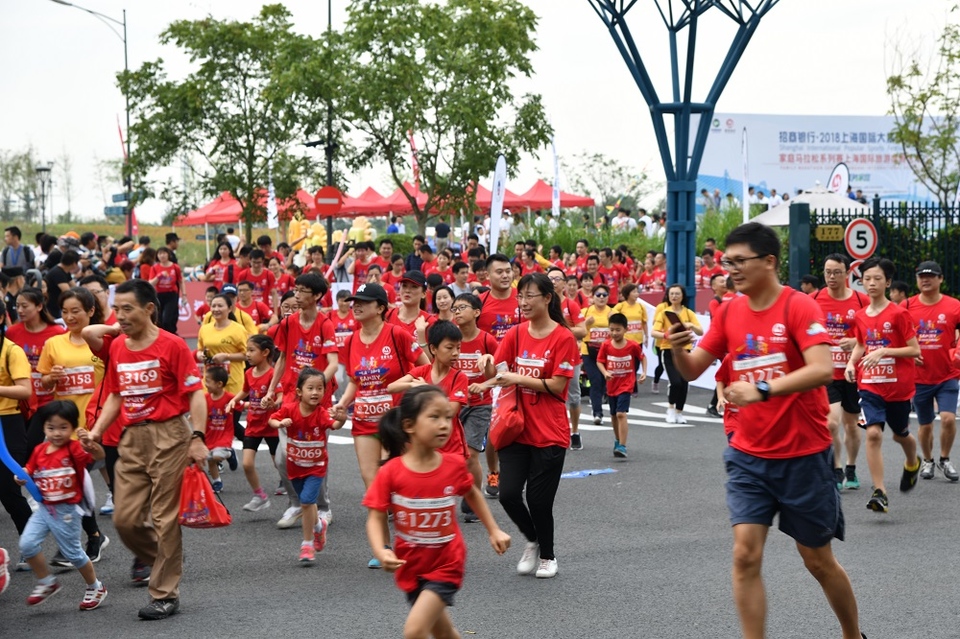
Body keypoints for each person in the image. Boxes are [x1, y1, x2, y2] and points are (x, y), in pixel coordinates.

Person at [666, 222, 864, 639]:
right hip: (749, 455)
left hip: (803, 455)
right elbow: (693, 368)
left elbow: (822, 368)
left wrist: (762, 389)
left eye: (740, 261)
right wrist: (677, 347)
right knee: (744, 555)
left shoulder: (799, 307)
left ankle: (852, 635)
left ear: (769, 261)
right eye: (727, 262)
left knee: (817, 561)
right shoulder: (730, 310)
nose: (731, 270)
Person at [87, 279, 208, 621]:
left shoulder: (173, 345)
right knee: (124, 519)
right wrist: (96, 431)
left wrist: (197, 437)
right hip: (131, 439)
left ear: (149, 309)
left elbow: (196, 394)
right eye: (117, 309)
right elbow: (114, 394)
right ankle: (166, 558)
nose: (120, 316)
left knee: (163, 516)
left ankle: (164, 594)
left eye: (127, 309)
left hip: (170, 434)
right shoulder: (118, 348)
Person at [363, 386, 510, 639]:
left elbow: (472, 492)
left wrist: (493, 529)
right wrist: (381, 550)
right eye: (434, 417)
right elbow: (375, 516)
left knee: (415, 630)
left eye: (447, 417)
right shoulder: (391, 472)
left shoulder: (452, 464)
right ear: (409, 425)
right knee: (443, 632)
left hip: (446, 563)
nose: (444, 424)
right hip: (410, 565)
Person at [479, 272, 580, 579]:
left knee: (538, 500)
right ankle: (533, 540)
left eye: (529, 296)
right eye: (519, 296)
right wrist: (488, 371)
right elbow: (500, 370)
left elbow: (557, 385)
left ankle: (548, 556)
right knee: (508, 494)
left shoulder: (563, 337)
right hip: (516, 426)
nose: (522, 302)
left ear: (547, 299)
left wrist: (516, 378)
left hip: (550, 430)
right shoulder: (516, 334)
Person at [331, 283, 429, 568]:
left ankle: (411, 541)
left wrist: (410, 387)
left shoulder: (396, 334)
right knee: (372, 482)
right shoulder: (350, 341)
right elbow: (354, 381)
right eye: (354, 301)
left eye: (363, 301)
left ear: (381, 307)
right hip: (362, 418)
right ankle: (383, 547)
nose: (356, 305)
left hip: (395, 420)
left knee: (396, 482)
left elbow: (424, 365)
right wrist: (343, 404)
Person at [844, 256, 921, 513]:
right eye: (867, 279)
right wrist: (851, 364)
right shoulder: (860, 315)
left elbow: (913, 350)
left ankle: (913, 462)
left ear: (888, 282)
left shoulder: (900, 314)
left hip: (897, 386)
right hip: (871, 385)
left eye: (877, 278)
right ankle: (880, 491)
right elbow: (861, 344)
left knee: (901, 435)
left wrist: (885, 352)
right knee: (874, 433)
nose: (872, 283)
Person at [17, 401, 108, 610]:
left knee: (73, 554)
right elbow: (29, 469)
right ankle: (46, 582)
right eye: (51, 428)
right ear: (43, 428)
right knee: (27, 545)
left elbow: (99, 458)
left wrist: (92, 445)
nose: (56, 433)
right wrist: (21, 476)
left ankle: (96, 586)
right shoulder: (40, 450)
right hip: (44, 509)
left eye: (63, 427)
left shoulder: (74, 449)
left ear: (73, 427)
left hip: (66, 511)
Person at [269, 368, 342, 564]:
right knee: (306, 502)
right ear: (299, 392)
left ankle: (307, 544)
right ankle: (319, 526)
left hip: (316, 468)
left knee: (307, 501)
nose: (316, 392)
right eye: (310, 388)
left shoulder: (321, 413)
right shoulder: (290, 410)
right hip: (295, 468)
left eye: (320, 388)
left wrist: (341, 417)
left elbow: (335, 425)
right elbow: (272, 419)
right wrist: (279, 423)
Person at [812, 254, 869, 490]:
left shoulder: (861, 300)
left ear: (847, 274)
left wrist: (854, 342)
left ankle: (851, 467)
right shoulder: (813, 299)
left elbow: (873, 334)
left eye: (836, 272)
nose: (831, 277)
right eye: (827, 272)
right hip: (827, 372)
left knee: (851, 425)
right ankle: (835, 469)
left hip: (853, 373)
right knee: (831, 424)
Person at [902, 261, 960, 481]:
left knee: (947, 418)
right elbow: (898, 336)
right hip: (919, 378)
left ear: (941, 279)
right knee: (925, 425)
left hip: (948, 374)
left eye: (931, 276)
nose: (925, 280)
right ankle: (927, 460)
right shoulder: (906, 306)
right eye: (921, 276)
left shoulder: (954, 306)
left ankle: (944, 460)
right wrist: (909, 353)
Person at [450, 294, 499, 522]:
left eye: (462, 307)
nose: (457, 312)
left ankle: (474, 496)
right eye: (455, 308)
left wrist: (487, 364)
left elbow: (496, 375)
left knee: (470, 455)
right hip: (453, 403)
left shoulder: (487, 340)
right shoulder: (450, 339)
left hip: (480, 405)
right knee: (452, 454)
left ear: (477, 312)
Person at [476, 254, 521, 496]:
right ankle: (494, 472)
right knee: (496, 429)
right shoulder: (480, 303)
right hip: (493, 375)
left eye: (508, 271)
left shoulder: (522, 299)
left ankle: (516, 473)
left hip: (523, 371)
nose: (505, 275)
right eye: (499, 272)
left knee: (522, 426)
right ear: (487, 275)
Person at [226, 334, 279, 511]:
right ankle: (260, 496)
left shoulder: (273, 374)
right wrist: (233, 400)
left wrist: (274, 402)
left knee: (280, 464)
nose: (247, 354)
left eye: (251, 350)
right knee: (247, 463)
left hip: (271, 425)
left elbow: (281, 395)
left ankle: (296, 495)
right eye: (246, 350)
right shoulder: (248, 372)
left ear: (265, 352)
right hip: (253, 424)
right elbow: (245, 391)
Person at [0, 297, 34, 551]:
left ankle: (31, 544)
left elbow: (25, 391)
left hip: (8, 423)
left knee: (9, 491)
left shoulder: (12, 350)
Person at [8, 287, 65, 417]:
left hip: (48, 399)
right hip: (21, 401)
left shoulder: (57, 332)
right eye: (17, 306)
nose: (20, 310)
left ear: (39, 306)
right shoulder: (12, 332)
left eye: (24, 306)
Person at [651, 284, 702, 424]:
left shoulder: (688, 313)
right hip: (668, 350)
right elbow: (653, 332)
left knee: (684, 382)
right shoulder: (664, 312)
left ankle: (679, 412)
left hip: (685, 350)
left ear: (682, 296)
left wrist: (691, 326)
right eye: (671, 294)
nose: (674, 296)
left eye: (677, 294)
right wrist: (667, 335)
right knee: (675, 382)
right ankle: (671, 408)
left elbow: (700, 331)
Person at [597, 313, 646, 458]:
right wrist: (605, 372)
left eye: (618, 330)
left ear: (626, 329)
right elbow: (599, 361)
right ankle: (617, 440)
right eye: (611, 330)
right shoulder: (606, 345)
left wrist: (643, 372)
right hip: (612, 385)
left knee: (620, 413)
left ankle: (623, 446)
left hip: (626, 384)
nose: (614, 333)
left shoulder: (632, 346)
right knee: (613, 414)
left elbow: (643, 358)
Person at [549, 268, 585, 450]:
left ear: (564, 283)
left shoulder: (570, 305)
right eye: (550, 278)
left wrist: (561, 332)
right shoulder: (542, 305)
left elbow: (583, 330)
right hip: (547, 356)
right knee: (552, 396)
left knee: (574, 396)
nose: (554, 281)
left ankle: (575, 431)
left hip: (570, 357)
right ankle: (556, 431)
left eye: (557, 278)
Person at [201, 366, 237, 493]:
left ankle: (230, 453)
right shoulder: (205, 398)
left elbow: (242, 405)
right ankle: (217, 482)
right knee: (210, 459)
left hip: (224, 434)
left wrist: (259, 404)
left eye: (208, 381)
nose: (205, 384)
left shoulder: (229, 398)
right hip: (210, 434)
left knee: (216, 457)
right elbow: (198, 409)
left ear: (219, 384)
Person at [581, 284, 614, 425]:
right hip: (589, 351)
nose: (601, 297)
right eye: (598, 295)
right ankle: (597, 413)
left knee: (604, 382)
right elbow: (579, 330)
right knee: (595, 381)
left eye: (604, 295)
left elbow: (619, 332)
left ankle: (610, 409)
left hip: (606, 352)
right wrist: (586, 323)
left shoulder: (612, 312)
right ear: (592, 297)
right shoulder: (585, 312)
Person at [146, 247, 185, 335]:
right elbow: (150, 283)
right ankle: (162, 335)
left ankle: (171, 334)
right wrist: (159, 276)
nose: (162, 256)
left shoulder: (175, 267)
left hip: (171, 295)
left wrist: (184, 295)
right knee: (159, 319)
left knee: (168, 318)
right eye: (160, 254)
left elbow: (181, 281)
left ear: (168, 254)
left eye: (164, 253)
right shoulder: (155, 268)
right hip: (159, 295)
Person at [44, 250, 80, 320]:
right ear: (74, 264)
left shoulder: (65, 271)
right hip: (52, 307)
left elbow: (75, 287)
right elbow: (67, 292)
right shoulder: (57, 273)